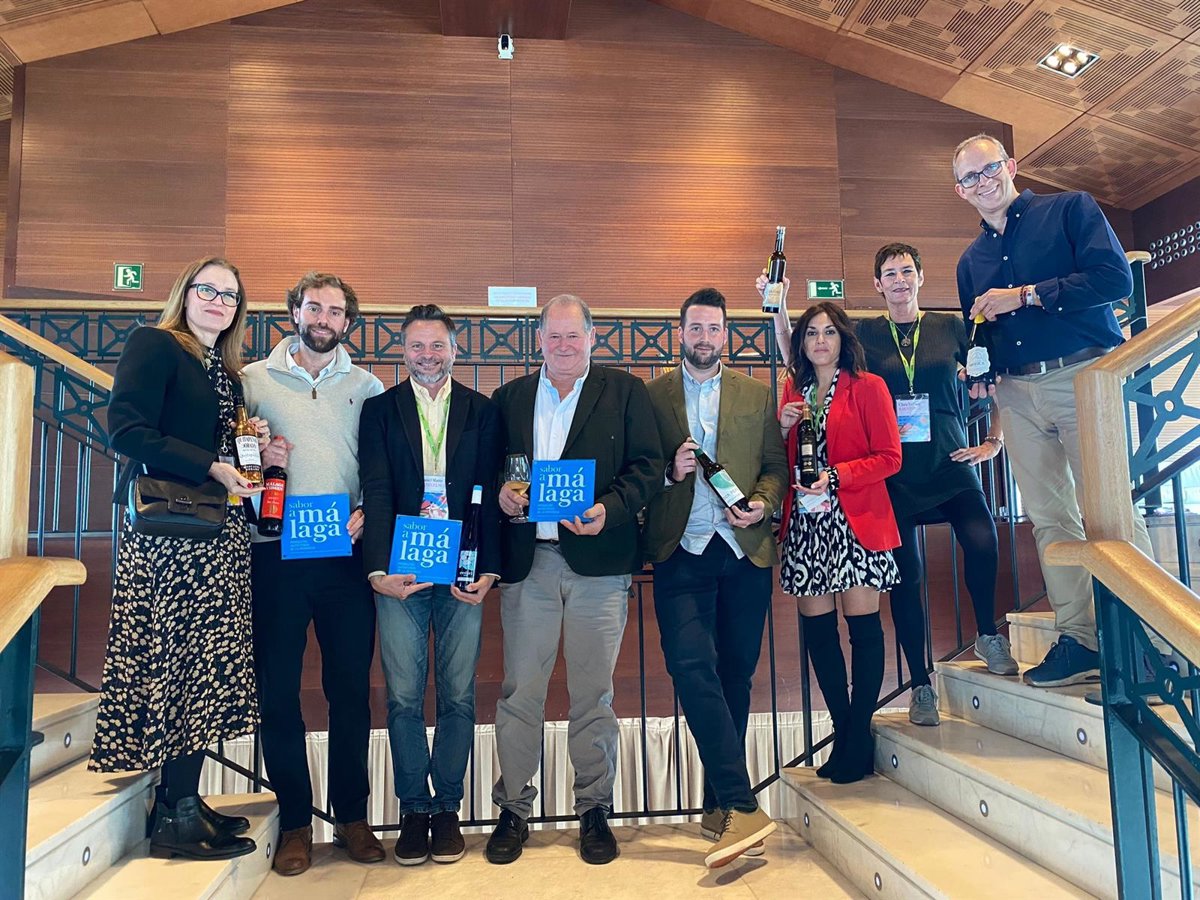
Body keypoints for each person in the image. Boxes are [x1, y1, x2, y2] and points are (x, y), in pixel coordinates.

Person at [953, 133, 1168, 687]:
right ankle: (1081, 639)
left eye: (989, 168)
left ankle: (1144, 641)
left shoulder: (1071, 209)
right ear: (960, 192)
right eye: (970, 177)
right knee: (1049, 520)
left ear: (1011, 166)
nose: (983, 182)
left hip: (1083, 377)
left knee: (1110, 513)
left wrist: (1026, 294)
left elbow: (1115, 280)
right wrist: (979, 374)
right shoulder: (970, 261)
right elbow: (981, 335)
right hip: (1016, 392)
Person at [90, 257, 263, 861]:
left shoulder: (225, 370)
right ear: (184, 294)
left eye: (230, 295)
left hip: (216, 532)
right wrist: (210, 464)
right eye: (207, 289)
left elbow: (214, 443)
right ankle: (175, 814)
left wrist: (251, 447)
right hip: (172, 536)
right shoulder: (156, 344)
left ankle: (180, 800)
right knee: (181, 664)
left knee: (203, 671)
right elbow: (126, 430)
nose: (219, 300)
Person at [486, 294, 663, 866]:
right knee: (520, 693)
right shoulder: (509, 398)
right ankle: (513, 809)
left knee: (594, 694)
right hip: (529, 565)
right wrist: (502, 496)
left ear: (592, 337)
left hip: (599, 567)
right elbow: (493, 472)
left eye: (573, 335)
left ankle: (594, 809)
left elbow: (648, 467)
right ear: (538, 340)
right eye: (554, 336)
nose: (563, 345)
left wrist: (610, 509)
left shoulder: (625, 391)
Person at [242, 272, 386, 875]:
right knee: (278, 692)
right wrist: (258, 460)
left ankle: (352, 817)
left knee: (350, 691)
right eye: (314, 307)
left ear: (348, 322)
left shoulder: (368, 386)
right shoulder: (252, 380)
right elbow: (233, 462)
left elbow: (380, 469)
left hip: (344, 559)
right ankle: (295, 823)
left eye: (334, 311)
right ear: (294, 312)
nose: (323, 319)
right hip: (274, 554)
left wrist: (368, 511)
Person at [643, 288, 786, 868]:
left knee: (736, 677)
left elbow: (775, 468)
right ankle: (743, 803)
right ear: (680, 332)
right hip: (681, 550)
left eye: (713, 329)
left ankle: (718, 804)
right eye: (695, 328)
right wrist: (668, 472)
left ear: (726, 334)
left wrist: (762, 504)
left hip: (743, 550)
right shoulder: (651, 395)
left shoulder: (756, 393)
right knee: (689, 666)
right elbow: (636, 469)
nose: (704, 338)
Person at [359, 304, 503, 866]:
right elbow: (375, 487)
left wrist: (490, 568)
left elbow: (492, 491)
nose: (428, 355)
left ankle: (447, 808)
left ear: (455, 350)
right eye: (417, 346)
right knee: (402, 695)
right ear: (403, 351)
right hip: (404, 566)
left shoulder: (482, 411)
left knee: (459, 694)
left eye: (438, 345)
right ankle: (413, 809)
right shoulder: (379, 410)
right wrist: (377, 571)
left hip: (462, 567)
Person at [859, 244, 1017, 723]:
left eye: (907, 270)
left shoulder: (952, 327)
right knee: (906, 577)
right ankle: (920, 685)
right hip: (893, 470)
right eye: (890, 273)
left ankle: (987, 633)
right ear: (878, 284)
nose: (900, 279)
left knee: (983, 538)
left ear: (921, 277)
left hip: (950, 459)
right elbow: (812, 361)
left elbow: (995, 384)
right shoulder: (864, 334)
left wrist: (993, 441)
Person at [777, 301, 901, 784]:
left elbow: (889, 457)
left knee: (863, 629)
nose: (820, 341)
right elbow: (778, 457)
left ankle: (857, 735)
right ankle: (845, 730)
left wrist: (835, 476)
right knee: (819, 635)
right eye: (811, 333)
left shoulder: (868, 387)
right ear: (802, 343)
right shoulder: (794, 389)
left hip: (855, 522)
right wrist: (782, 428)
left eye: (829, 332)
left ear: (843, 339)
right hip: (807, 526)